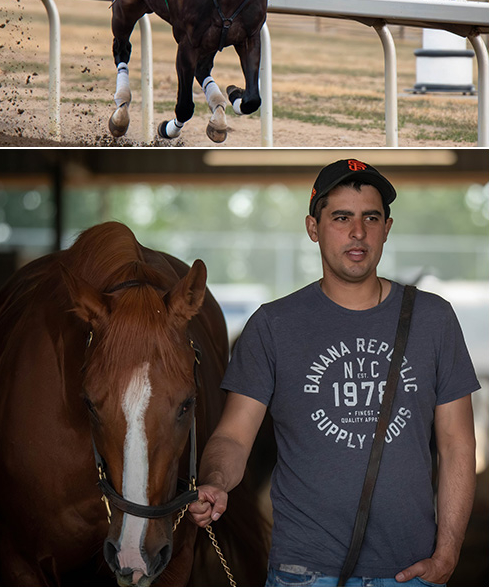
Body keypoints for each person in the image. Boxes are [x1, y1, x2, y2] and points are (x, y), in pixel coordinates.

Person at [189, 159, 479, 587]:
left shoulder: (433, 320)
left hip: (411, 573)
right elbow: (233, 436)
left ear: (387, 227)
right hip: (302, 573)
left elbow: (458, 444)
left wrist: (448, 554)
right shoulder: (273, 327)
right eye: (341, 217)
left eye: (370, 218)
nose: (357, 232)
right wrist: (213, 481)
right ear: (313, 227)